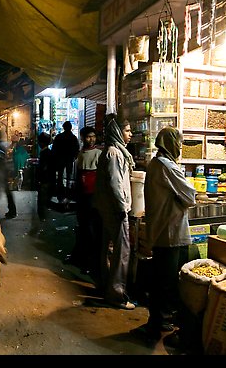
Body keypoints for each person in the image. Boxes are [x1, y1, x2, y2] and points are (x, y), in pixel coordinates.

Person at [138, 126, 197, 341]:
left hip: (165, 231)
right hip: (170, 233)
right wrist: (183, 198)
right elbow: (190, 196)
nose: (180, 147)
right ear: (170, 144)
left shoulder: (158, 163)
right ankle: (155, 326)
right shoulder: (165, 165)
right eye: (179, 143)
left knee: (162, 281)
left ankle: (159, 321)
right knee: (165, 283)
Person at [92, 116, 135, 310]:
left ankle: (106, 287)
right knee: (121, 253)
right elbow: (116, 184)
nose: (130, 134)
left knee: (108, 250)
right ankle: (117, 295)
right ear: (118, 132)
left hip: (108, 209)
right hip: (115, 210)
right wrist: (122, 208)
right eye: (127, 131)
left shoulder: (113, 152)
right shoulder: (114, 154)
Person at [64, 126, 101, 276]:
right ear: (82, 138)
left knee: (90, 230)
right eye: (88, 137)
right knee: (83, 228)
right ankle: (80, 258)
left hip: (93, 196)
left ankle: (89, 262)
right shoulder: (79, 155)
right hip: (82, 196)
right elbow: (77, 176)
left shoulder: (99, 153)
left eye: (93, 136)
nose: (91, 139)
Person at [51, 120, 80, 203]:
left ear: (63, 127)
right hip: (69, 159)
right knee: (68, 174)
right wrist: (74, 156)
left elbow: (54, 148)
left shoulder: (59, 137)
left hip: (60, 158)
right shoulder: (73, 137)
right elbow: (76, 149)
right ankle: (67, 189)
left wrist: (55, 157)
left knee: (60, 174)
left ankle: (60, 189)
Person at [0, 129, 18, 219]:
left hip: (4, 172)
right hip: (7, 171)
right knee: (8, 192)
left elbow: (2, 159)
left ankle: (12, 211)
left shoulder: (0, 145)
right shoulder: (5, 144)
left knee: (7, 192)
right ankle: (12, 210)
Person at [36, 132, 55, 221]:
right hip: (48, 179)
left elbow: (44, 168)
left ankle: (42, 216)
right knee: (45, 197)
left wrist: (39, 178)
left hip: (45, 179)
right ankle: (43, 215)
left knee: (42, 198)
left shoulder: (45, 153)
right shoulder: (48, 152)